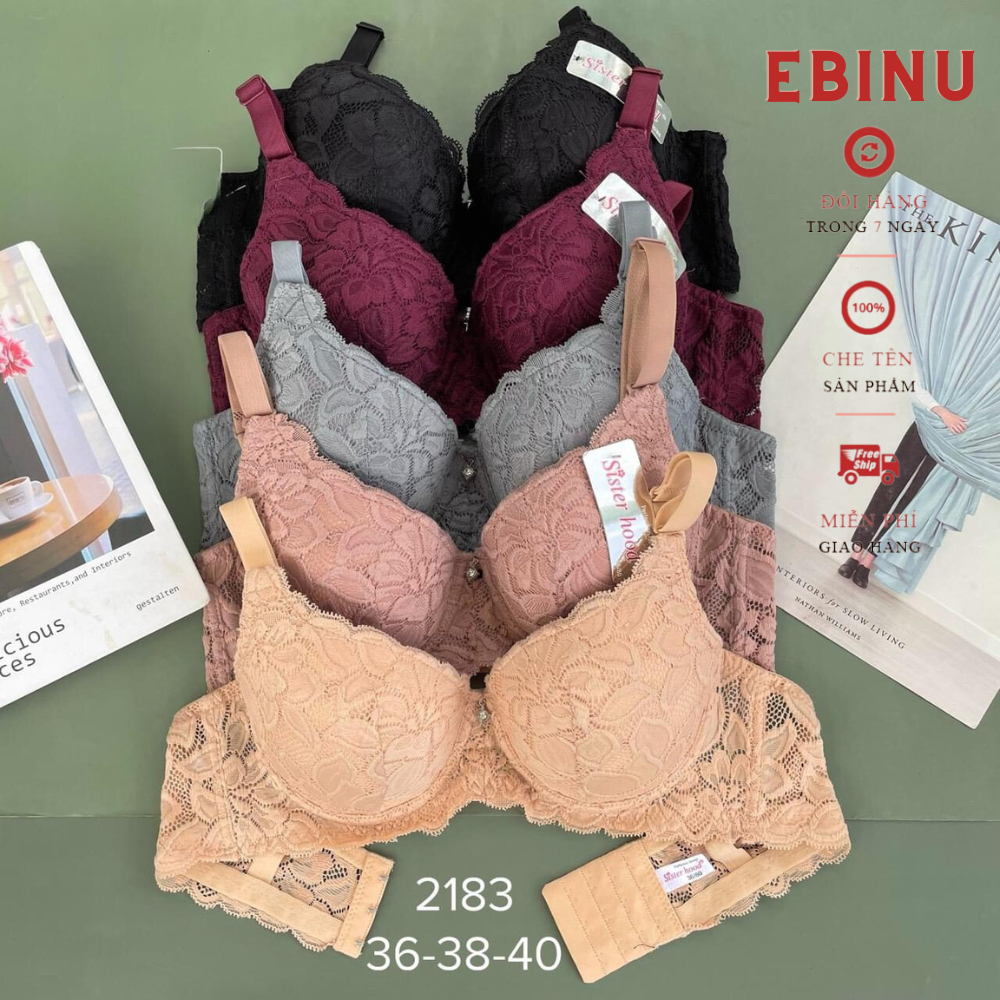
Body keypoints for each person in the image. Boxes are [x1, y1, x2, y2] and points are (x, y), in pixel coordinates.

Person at [838, 383, 967, 589]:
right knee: (889, 489)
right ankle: (855, 554)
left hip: (953, 443)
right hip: (926, 426)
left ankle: (868, 561)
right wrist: (942, 412)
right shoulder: (952, 365)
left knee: (912, 500)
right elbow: (918, 386)